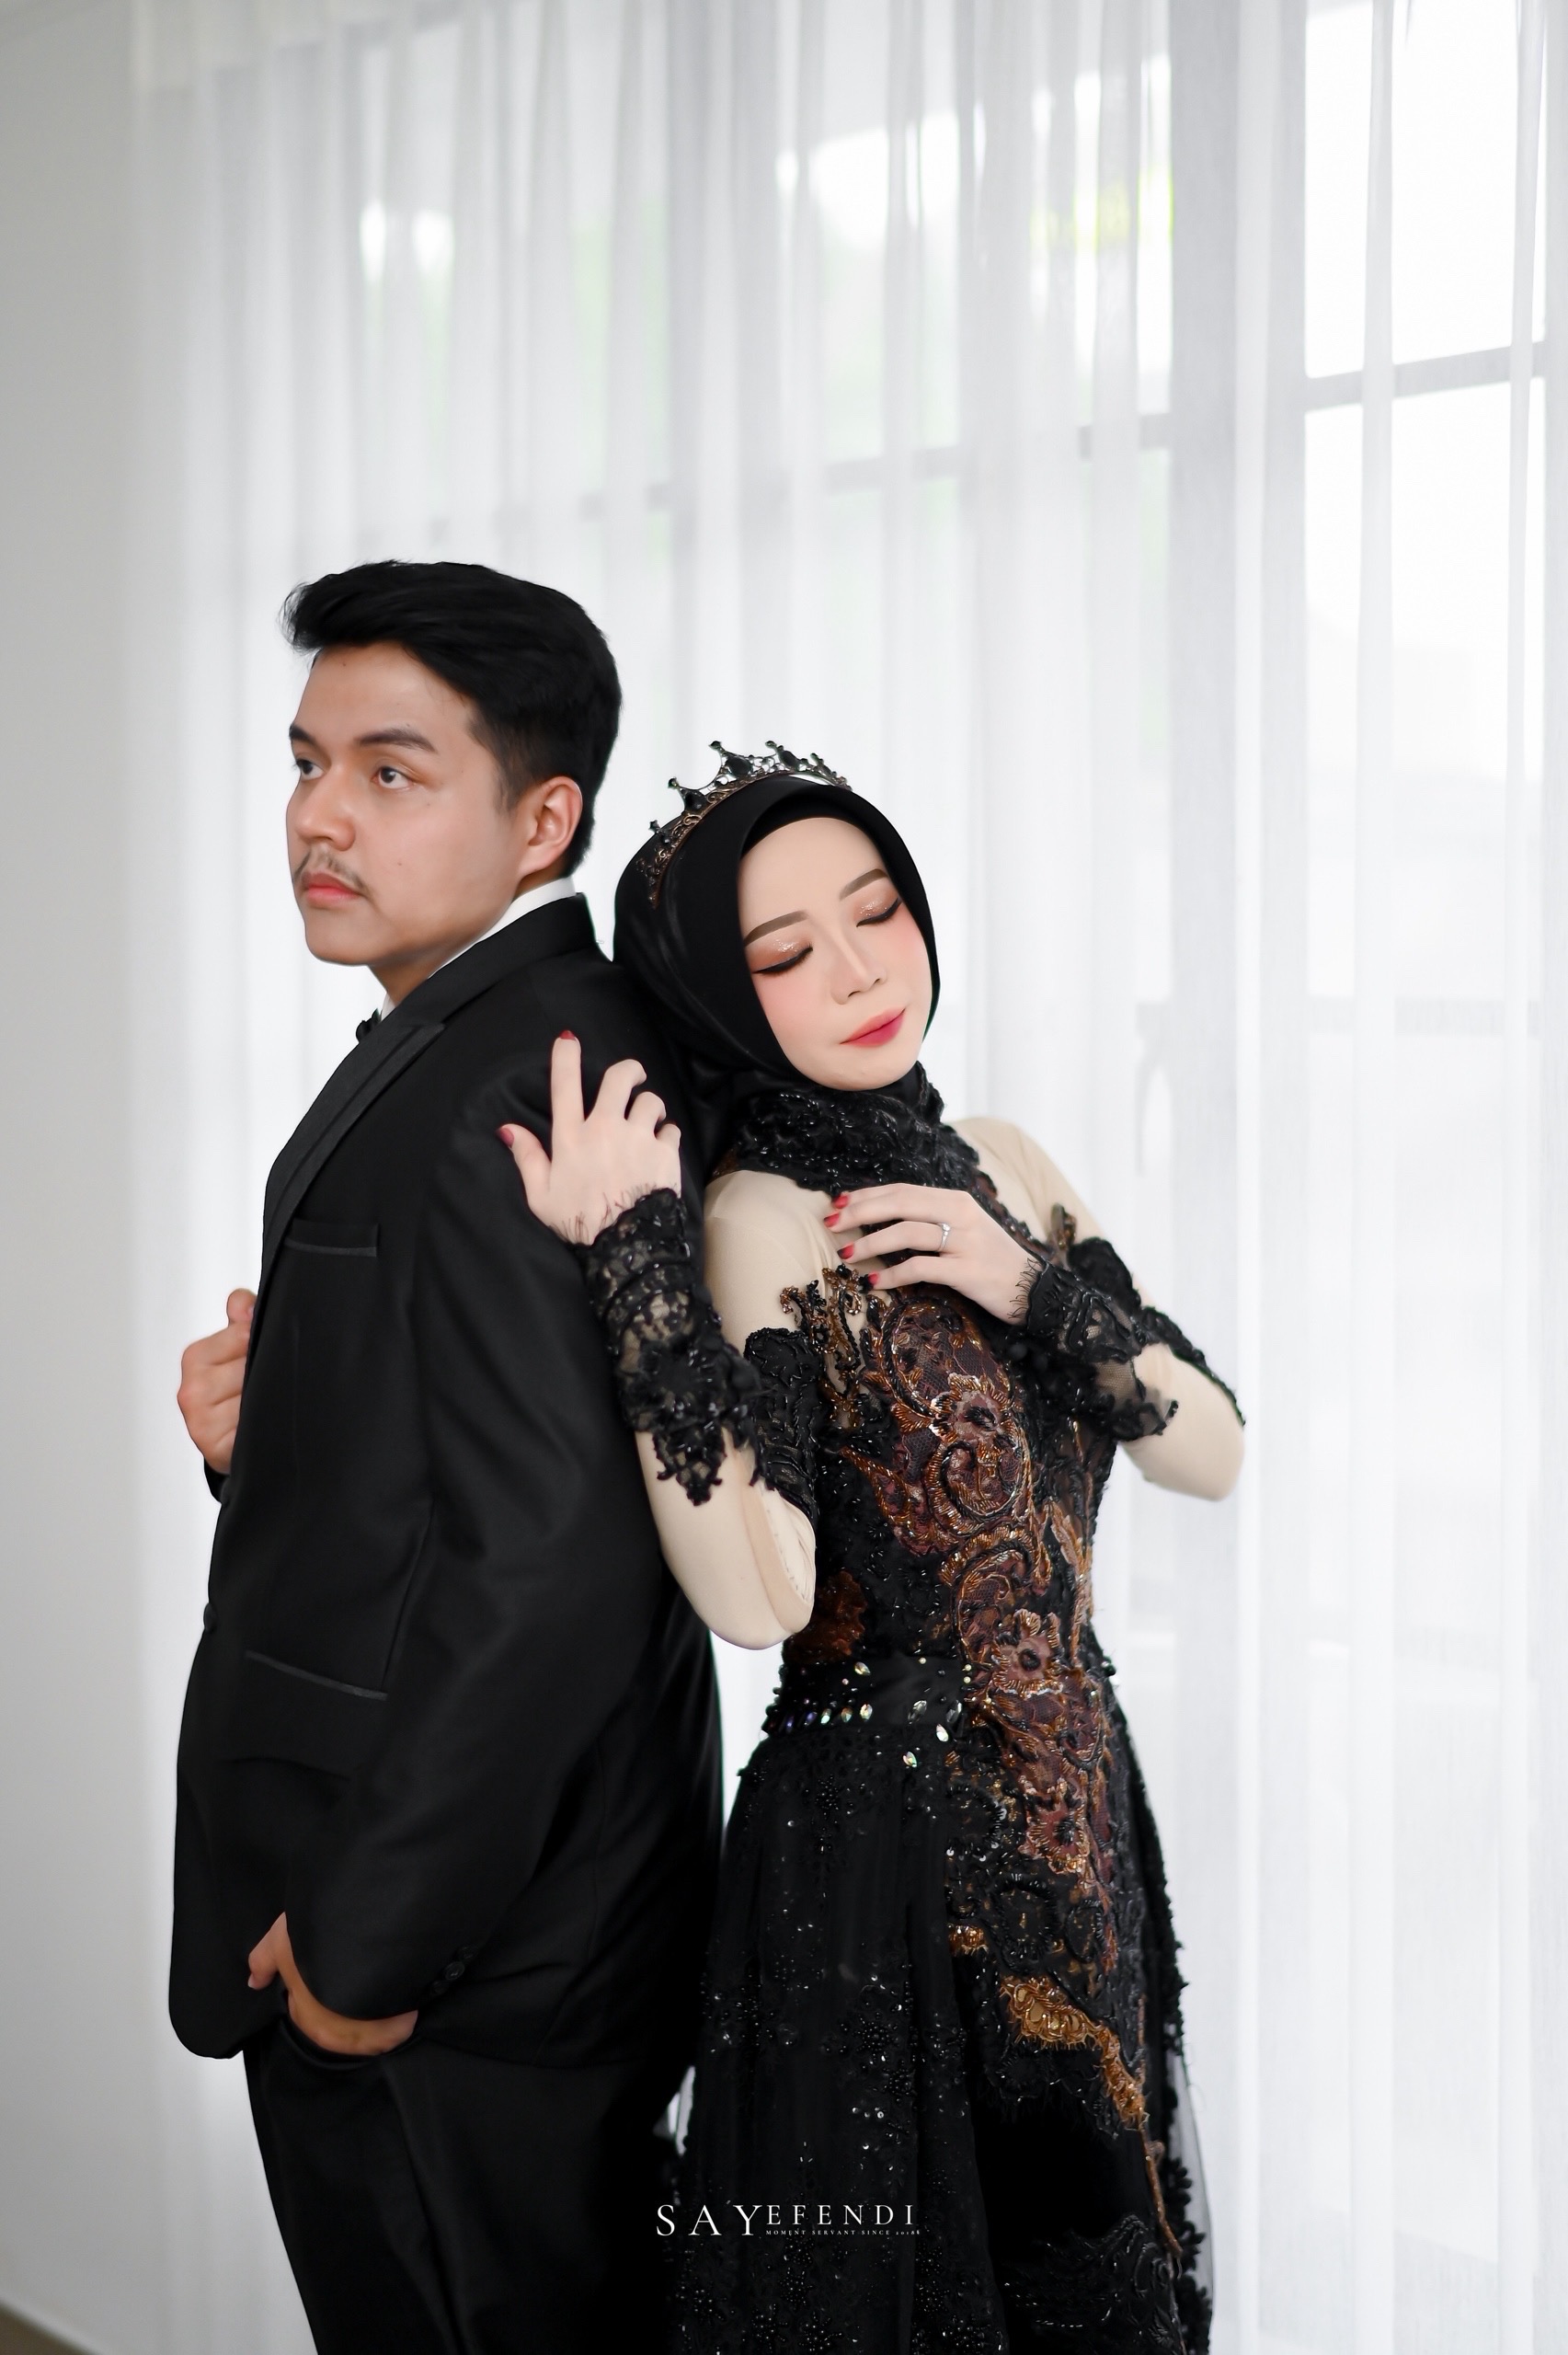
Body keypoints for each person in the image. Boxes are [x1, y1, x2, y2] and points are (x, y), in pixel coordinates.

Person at [500, 745, 1244, 2355]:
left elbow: (1210, 1446)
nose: (855, 972)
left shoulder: (1005, 1169)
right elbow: (756, 1596)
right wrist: (637, 1259)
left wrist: (1022, 1283)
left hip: (1078, 1810)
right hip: (879, 1864)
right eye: (784, 952)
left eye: (876, 910)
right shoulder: (758, 1218)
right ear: (717, 994)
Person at [170, 561, 720, 2355]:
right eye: (306, 761)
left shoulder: (530, 1078)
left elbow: (557, 1568)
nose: (317, 815)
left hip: (465, 1970)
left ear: (541, 818)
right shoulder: (473, 1033)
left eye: (390, 771)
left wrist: (364, 1947)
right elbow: (475, 1490)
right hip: (481, 1928)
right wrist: (274, 1441)